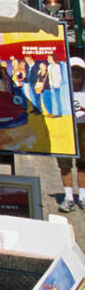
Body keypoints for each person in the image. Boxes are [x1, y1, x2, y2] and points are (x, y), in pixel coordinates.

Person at [58, 57, 85, 212]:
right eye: (73, 69)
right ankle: (68, 198)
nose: (76, 72)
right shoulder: (62, 87)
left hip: (83, 127)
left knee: (83, 164)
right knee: (65, 164)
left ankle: (82, 197)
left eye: (79, 70)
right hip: (65, 128)